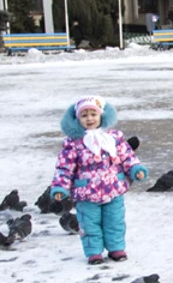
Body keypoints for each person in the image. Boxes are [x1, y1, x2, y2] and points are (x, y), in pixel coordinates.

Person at [49, 96, 148, 265]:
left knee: (115, 222)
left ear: (101, 116)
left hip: (113, 188)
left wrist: (135, 169)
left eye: (93, 114)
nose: (89, 119)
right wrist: (60, 187)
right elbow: (64, 168)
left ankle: (116, 248)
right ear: (77, 119)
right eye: (84, 115)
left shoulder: (113, 138)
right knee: (89, 225)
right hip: (86, 193)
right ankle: (94, 252)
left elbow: (127, 157)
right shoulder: (73, 144)